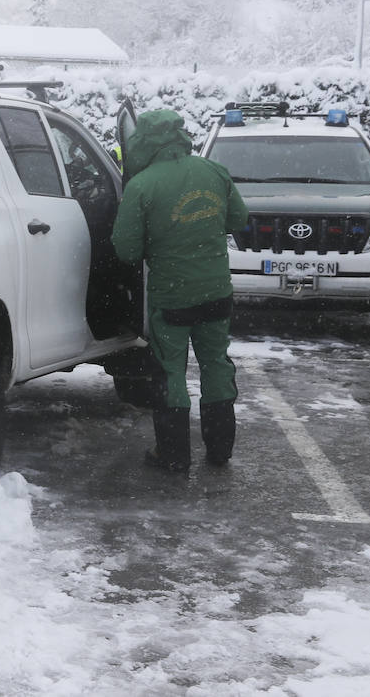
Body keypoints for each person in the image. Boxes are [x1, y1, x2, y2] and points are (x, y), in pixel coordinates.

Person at [111, 109, 248, 472]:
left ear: (145, 142)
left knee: (170, 370)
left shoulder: (142, 185)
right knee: (216, 363)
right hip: (217, 291)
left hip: (172, 295)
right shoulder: (213, 172)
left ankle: (172, 455)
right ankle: (220, 449)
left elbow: (125, 249)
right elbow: (239, 220)